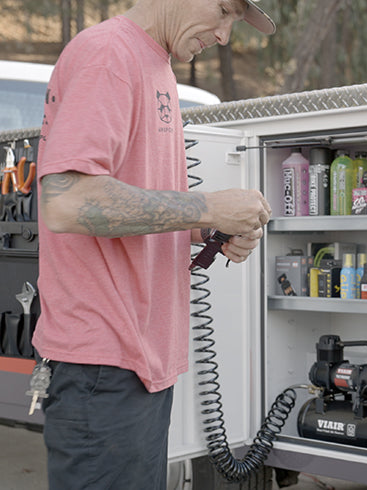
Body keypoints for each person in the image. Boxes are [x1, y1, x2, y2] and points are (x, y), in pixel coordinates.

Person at [31, 1, 276, 488]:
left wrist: (208, 229)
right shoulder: (109, 56)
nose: (225, 36)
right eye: (225, 11)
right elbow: (66, 200)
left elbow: (133, 202)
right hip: (101, 361)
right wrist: (206, 207)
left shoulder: (155, 65)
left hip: (136, 363)